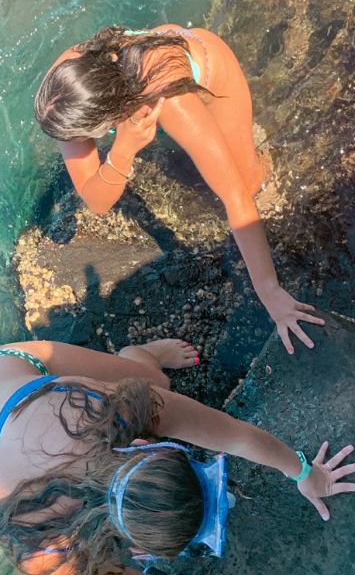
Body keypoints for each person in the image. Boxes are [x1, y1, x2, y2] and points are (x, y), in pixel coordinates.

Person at [0, 338, 355, 575]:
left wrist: (303, 471)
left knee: (153, 383)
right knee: (152, 382)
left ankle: (140, 359)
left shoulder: (101, 413)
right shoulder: (45, 558)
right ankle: (140, 358)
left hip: (6, 388)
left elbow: (233, 435)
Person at [35, 23, 325, 355]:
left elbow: (236, 198)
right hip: (140, 75)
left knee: (250, 181)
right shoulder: (65, 85)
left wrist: (269, 290)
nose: (72, 143)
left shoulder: (169, 101)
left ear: (110, 117)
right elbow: (97, 200)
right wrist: (123, 151)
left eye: (85, 135)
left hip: (208, 70)